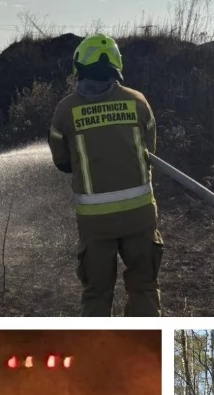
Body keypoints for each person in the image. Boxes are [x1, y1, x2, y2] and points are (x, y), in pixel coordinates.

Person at [48, 33, 162, 317]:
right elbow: (150, 151)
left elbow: (62, 162)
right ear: (116, 66)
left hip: (95, 223)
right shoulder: (138, 102)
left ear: (79, 66)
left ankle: (99, 343)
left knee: (97, 293)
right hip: (139, 218)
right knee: (144, 288)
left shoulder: (65, 111)